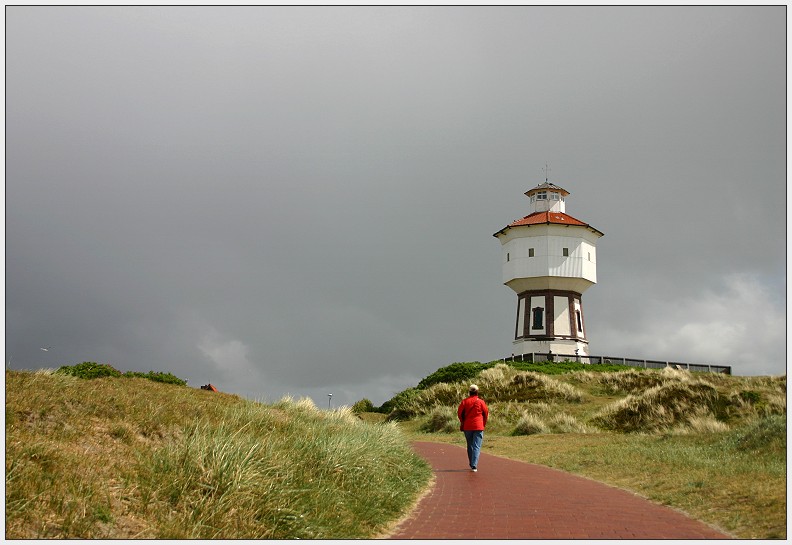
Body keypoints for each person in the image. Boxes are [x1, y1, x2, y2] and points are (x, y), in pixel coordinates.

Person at [457, 384, 489, 472]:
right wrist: (483, 424)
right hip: (478, 426)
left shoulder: (465, 401)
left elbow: (459, 413)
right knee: (476, 446)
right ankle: (474, 465)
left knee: (470, 445)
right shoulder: (481, 402)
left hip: (467, 426)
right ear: (477, 392)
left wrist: (462, 421)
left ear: (469, 392)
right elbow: (486, 413)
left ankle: (472, 463)